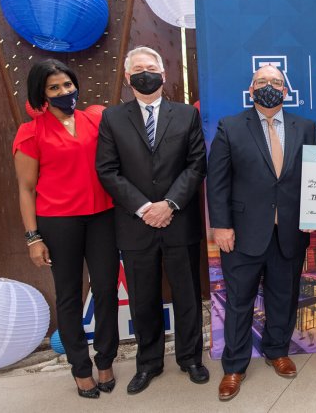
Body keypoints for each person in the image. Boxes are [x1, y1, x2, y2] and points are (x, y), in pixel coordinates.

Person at [95, 46, 208, 394]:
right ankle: (149, 363)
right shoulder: (113, 118)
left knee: (187, 293)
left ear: (164, 74)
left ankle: (190, 358)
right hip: (136, 224)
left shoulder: (186, 115)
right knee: (143, 298)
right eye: (138, 68)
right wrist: (145, 207)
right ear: (129, 78)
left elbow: (196, 164)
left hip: (179, 220)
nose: (146, 73)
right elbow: (107, 170)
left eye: (152, 67)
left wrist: (169, 204)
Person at [207, 64, 316, 401]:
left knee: (283, 297)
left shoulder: (307, 127)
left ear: (286, 91)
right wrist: (222, 226)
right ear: (251, 89)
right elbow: (218, 181)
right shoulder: (230, 126)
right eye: (261, 81)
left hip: (289, 231)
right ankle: (234, 367)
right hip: (241, 234)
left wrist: (315, 210)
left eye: (275, 82)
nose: (268, 86)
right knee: (239, 302)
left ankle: (277, 351)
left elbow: (315, 176)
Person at [13, 60, 119, 399]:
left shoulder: (95, 120)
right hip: (58, 223)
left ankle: (105, 360)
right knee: (70, 295)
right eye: (54, 88)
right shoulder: (31, 132)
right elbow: (26, 189)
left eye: (68, 85)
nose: (64, 92)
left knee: (105, 290)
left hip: (102, 217)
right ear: (41, 93)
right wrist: (33, 238)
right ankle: (80, 368)